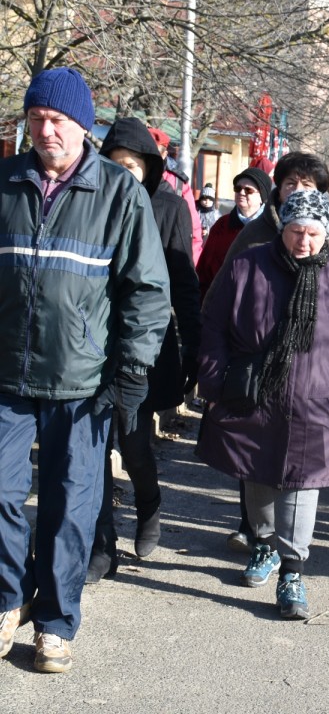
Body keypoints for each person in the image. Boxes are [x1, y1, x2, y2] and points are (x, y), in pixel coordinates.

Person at [0, 68, 170, 672]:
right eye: (36, 119)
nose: (46, 131)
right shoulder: (6, 184)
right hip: (7, 379)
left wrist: (130, 372)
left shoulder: (119, 196)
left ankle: (56, 621)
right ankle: (8, 599)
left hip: (83, 381)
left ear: (83, 126)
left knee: (72, 505)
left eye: (59, 121)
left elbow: (147, 292)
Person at [196, 190, 329, 619]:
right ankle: (263, 545)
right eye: (296, 231)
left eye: (314, 234)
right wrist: (214, 381)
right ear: (283, 229)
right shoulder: (248, 265)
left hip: (320, 404)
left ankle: (293, 571)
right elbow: (214, 326)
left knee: (302, 484)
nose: (304, 242)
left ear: (327, 233)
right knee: (256, 476)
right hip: (253, 394)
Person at [204, 151, 329, 552]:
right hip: (254, 374)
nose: (297, 192)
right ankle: (255, 532)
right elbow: (219, 304)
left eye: (307, 186)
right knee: (252, 459)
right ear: (277, 189)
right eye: (290, 184)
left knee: (300, 472)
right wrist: (216, 376)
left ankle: (289, 559)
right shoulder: (253, 237)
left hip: (311, 380)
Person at [87, 118, 201, 582]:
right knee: (91, 452)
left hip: (142, 348)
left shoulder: (169, 207)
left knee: (134, 446)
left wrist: (193, 344)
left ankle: (149, 504)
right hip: (89, 346)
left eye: (132, 165)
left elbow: (181, 281)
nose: (123, 172)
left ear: (149, 169)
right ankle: (101, 542)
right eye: (115, 163)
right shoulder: (89, 202)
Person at [196, 166, 272, 299]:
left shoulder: (272, 229)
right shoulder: (222, 225)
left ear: (262, 197)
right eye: (238, 188)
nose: (242, 192)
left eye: (248, 190)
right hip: (221, 302)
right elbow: (204, 269)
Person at [148, 127, 203, 264]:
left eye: (155, 153)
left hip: (169, 260)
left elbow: (194, 231)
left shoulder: (178, 184)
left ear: (164, 154)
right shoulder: (131, 176)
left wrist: (190, 269)